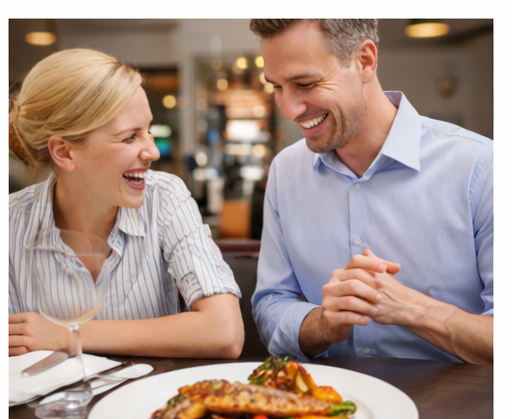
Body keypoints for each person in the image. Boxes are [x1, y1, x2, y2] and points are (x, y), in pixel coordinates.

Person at [249, 19, 493, 364]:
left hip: (456, 413)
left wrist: (414, 310)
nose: (289, 109)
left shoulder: (482, 168)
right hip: (333, 409)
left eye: (305, 83)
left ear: (364, 60)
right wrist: (322, 324)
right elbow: (271, 305)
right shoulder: (285, 171)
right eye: (276, 86)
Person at [9, 48, 244, 359]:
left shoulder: (165, 198)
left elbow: (224, 332)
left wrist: (67, 334)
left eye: (147, 130)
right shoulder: (11, 225)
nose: (152, 152)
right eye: (130, 137)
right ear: (64, 153)